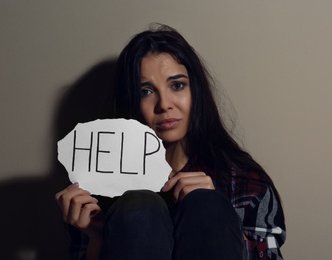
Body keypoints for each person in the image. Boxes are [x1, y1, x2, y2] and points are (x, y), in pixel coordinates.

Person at [55, 24, 286, 260]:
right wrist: (98, 238)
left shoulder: (244, 184)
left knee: (206, 206)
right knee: (139, 205)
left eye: (177, 85)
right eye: (145, 91)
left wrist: (219, 222)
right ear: (130, 102)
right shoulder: (97, 188)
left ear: (195, 91)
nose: (164, 104)